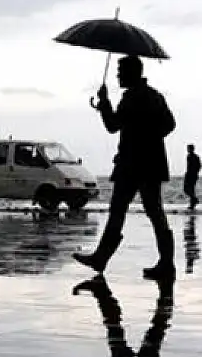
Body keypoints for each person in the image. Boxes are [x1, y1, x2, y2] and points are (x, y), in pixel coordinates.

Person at [74, 55, 177, 280]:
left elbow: (112, 126)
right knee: (155, 213)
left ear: (132, 73)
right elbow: (170, 124)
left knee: (118, 211)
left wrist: (104, 103)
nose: (118, 76)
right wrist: (151, 138)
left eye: (120, 72)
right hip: (150, 165)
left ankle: (101, 258)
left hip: (131, 165)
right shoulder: (155, 96)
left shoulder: (131, 99)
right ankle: (166, 264)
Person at [185, 144, 200, 209]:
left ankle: (194, 200)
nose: (187, 149)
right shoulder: (191, 156)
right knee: (191, 189)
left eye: (188, 148)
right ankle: (192, 203)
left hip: (191, 175)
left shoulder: (192, 157)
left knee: (187, 189)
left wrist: (193, 173)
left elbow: (198, 166)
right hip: (192, 174)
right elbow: (199, 166)